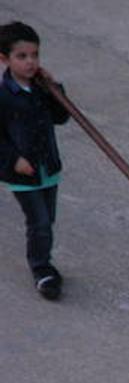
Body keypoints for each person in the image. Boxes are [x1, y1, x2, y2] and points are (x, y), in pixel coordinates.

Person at [0, 21, 69, 301]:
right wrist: (13, 160)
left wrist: (55, 88)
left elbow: (61, 116)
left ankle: (43, 259)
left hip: (47, 168)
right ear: (4, 59)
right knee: (38, 221)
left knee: (47, 219)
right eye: (22, 56)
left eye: (35, 55)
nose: (31, 62)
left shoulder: (41, 88)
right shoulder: (3, 96)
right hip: (23, 175)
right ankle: (42, 269)